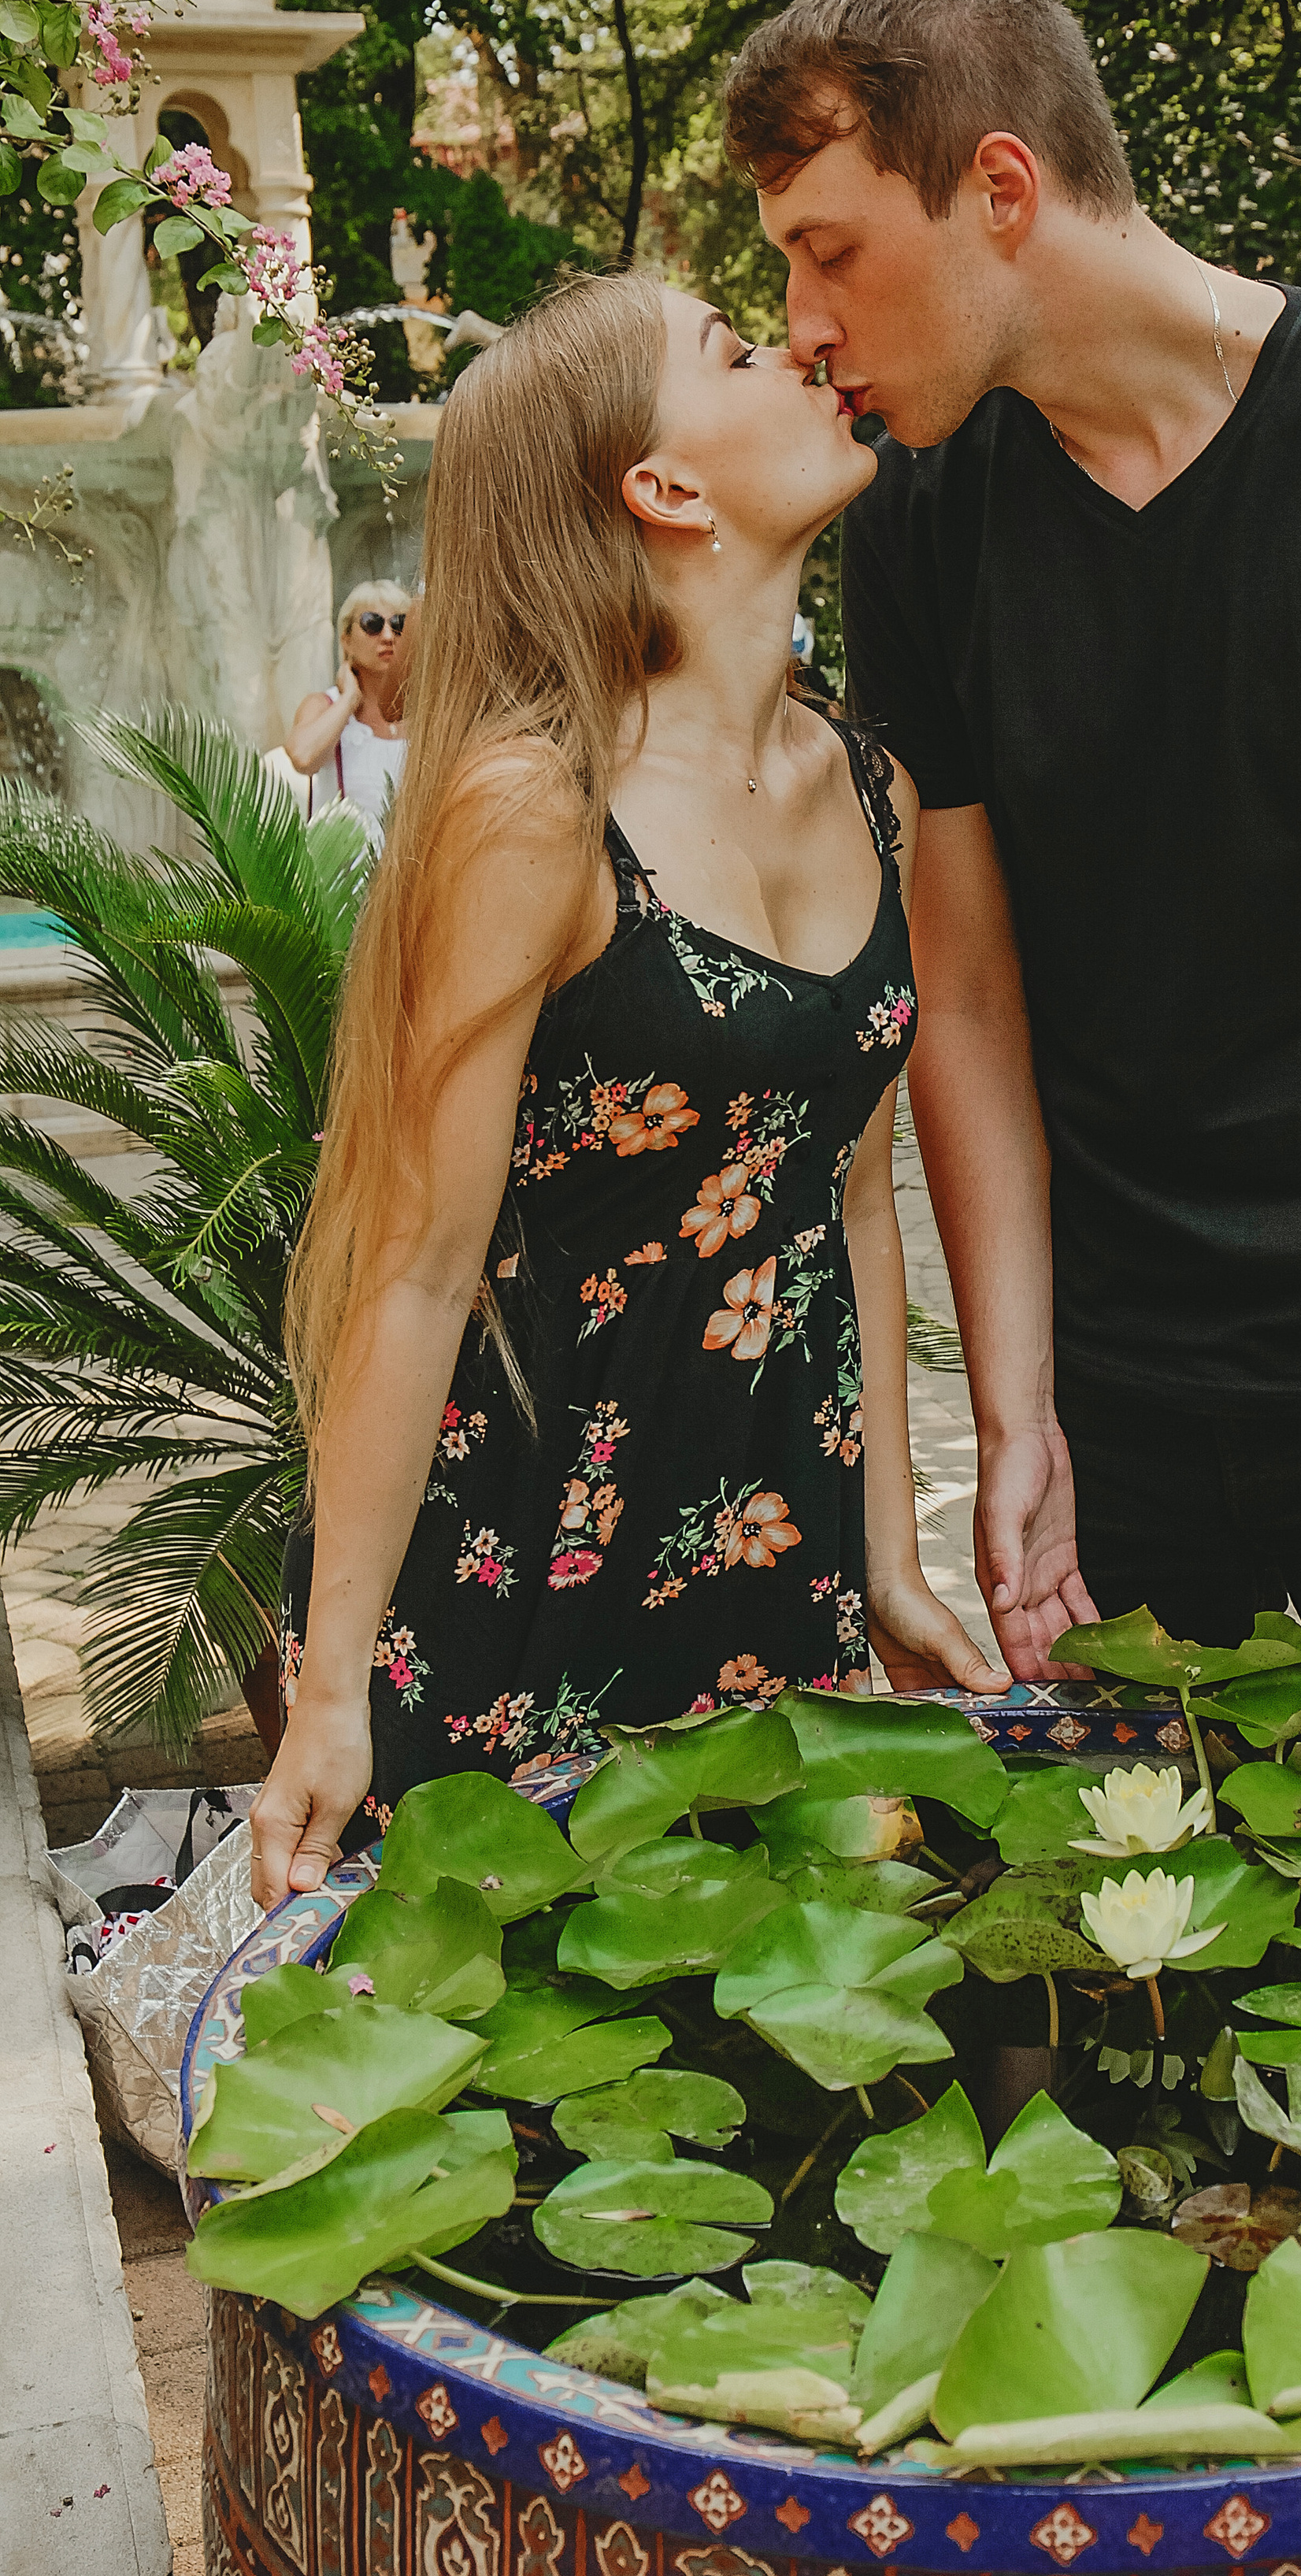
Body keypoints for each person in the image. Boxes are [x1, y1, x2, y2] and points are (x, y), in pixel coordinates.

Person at [723, 0, 1301, 1719]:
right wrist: (1017, 1421)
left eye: (829, 252)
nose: (803, 326)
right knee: (1129, 1978)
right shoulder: (921, 517)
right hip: (1122, 1408)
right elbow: (970, 1002)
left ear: (1000, 188)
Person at [249, 268, 1003, 1910]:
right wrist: (325, 1693)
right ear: (659, 490)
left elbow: (856, 1201)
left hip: (769, 1550)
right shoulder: (538, 807)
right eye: (734, 351)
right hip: (523, 1567)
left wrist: (883, 1554)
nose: (802, 348)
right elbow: (414, 1267)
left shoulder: (876, 788)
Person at [284, 580, 413, 828]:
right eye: (372, 624)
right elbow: (303, 757)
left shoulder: (425, 712)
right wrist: (350, 699)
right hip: (347, 865)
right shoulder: (323, 705)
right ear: (346, 640)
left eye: (399, 625)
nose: (388, 636)